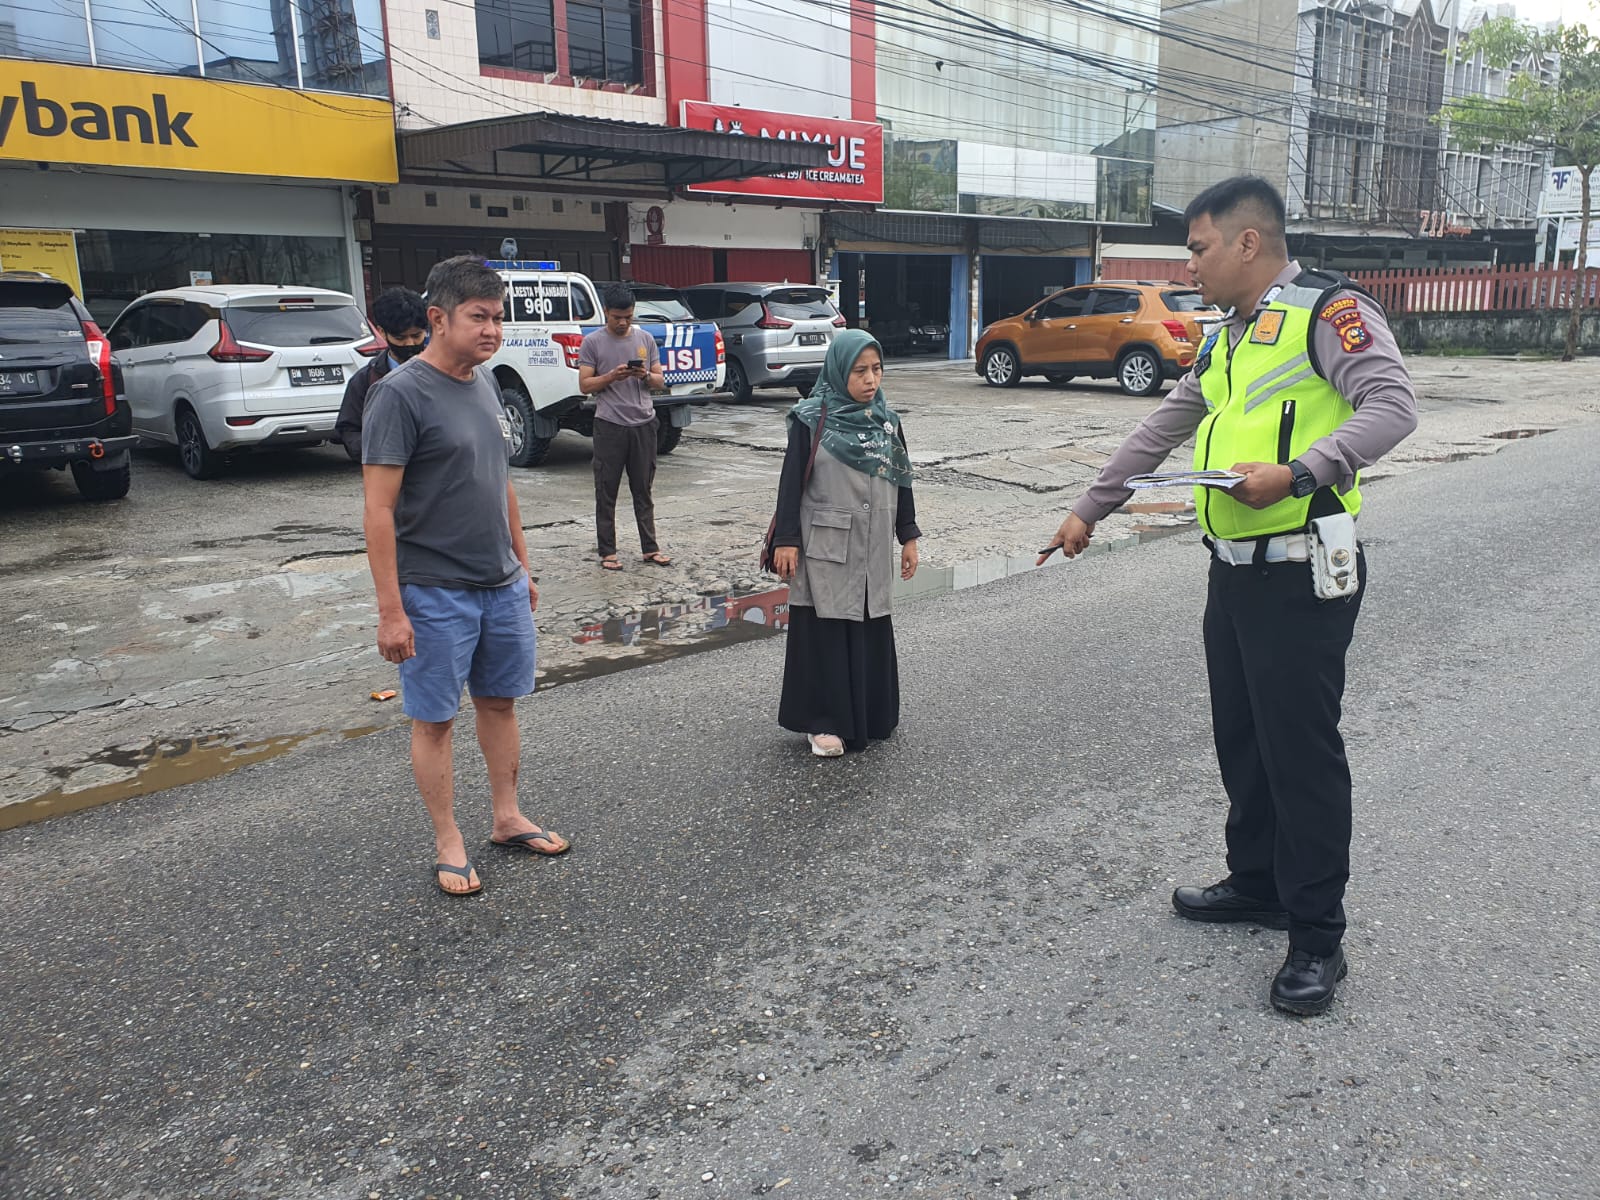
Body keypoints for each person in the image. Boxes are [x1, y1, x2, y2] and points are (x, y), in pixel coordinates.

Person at [1040, 176, 1417, 1016]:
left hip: (1300, 569)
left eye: (1200, 249)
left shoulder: (1329, 314)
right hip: (1232, 567)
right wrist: (1087, 509)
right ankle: (1258, 882)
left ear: (1249, 243)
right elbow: (1163, 425)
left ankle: (1318, 936)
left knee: (1301, 752)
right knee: (1242, 736)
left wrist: (1299, 471)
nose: (1192, 267)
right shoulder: (1230, 337)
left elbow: (1393, 406)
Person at [362, 256, 570, 897]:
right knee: (434, 720)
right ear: (437, 318)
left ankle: (506, 817)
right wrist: (392, 610)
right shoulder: (399, 396)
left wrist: (522, 565)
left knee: (501, 702)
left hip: (500, 583)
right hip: (433, 591)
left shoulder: (483, 382)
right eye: (478, 317)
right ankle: (448, 838)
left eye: (498, 317)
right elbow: (378, 509)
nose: (492, 330)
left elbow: (499, 482)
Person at [771, 329, 920, 757]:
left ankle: (871, 716)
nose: (870, 379)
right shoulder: (811, 419)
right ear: (839, 370)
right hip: (826, 547)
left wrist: (907, 535)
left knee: (870, 623)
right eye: (859, 371)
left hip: (873, 544)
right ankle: (823, 723)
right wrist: (786, 539)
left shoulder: (887, 421)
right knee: (828, 631)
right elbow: (790, 484)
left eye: (876, 369)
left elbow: (902, 480)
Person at [578, 284, 671, 572]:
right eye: (617, 317)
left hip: (643, 424)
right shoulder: (592, 342)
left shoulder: (645, 339)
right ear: (606, 312)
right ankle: (608, 551)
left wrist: (644, 375)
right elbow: (584, 384)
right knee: (606, 491)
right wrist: (611, 376)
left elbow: (661, 380)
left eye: (628, 317)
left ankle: (650, 548)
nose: (622, 322)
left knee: (643, 489)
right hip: (609, 425)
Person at [334, 287, 427, 462]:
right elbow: (349, 429)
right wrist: (380, 454)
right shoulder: (365, 381)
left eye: (416, 336)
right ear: (382, 332)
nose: (409, 344)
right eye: (400, 338)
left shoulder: (445, 372)